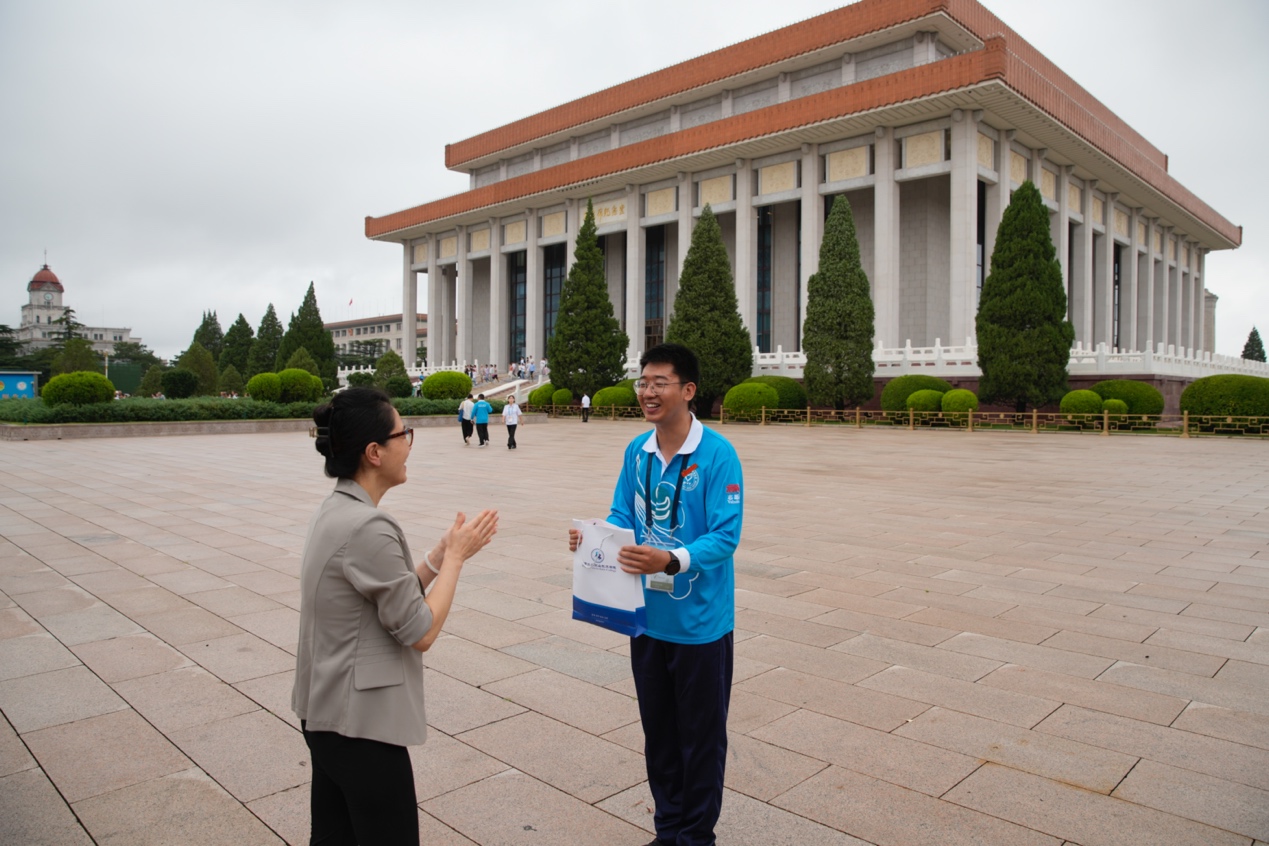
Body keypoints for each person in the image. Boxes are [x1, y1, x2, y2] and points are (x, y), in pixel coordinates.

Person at [294, 387, 498, 845]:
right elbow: (420, 629)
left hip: (327, 714)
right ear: (374, 452)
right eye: (403, 433)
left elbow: (387, 592)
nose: (408, 443)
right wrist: (457, 559)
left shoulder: (337, 509)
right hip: (360, 725)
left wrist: (438, 555)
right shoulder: (369, 525)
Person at [567, 343, 743, 846]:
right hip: (645, 619)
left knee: (701, 739)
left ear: (687, 391)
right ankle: (668, 831)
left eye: (659, 383)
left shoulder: (718, 455)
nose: (647, 391)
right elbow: (623, 514)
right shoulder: (637, 451)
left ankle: (696, 837)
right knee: (660, 735)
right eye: (643, 382)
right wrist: (593, 535)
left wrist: (670, 559)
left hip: (700, 626)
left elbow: (725, 536)